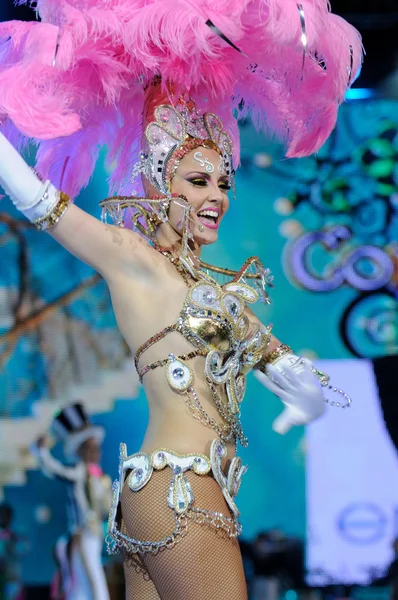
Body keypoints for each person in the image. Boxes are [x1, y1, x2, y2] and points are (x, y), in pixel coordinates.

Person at [0, 2, 361, 598]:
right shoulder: (131, 258)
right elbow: (42, 204)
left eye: (223, 181)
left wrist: (301, 389)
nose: (216, 195)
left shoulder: (213, 293)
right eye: (197, 182)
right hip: (180, 491)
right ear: (156, 182)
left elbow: (277, 363)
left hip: (163, 492)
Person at [31, 403, 112, 600]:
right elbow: (56, 470)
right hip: (82, 533)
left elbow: (106, 508)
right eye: (90, 449)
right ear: (81, 451)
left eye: (96, 449)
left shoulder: (102, 478)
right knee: (88, 577)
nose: (95, 453)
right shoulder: (79, 472)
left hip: (95, 534)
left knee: (90, 576)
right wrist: (42, 453)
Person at [0, 503, 25, 600]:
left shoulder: (17, 533)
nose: (3, 517)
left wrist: (13, 539)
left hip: (12, 577)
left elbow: (23, 550)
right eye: (1, 514)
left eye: (6, 514)